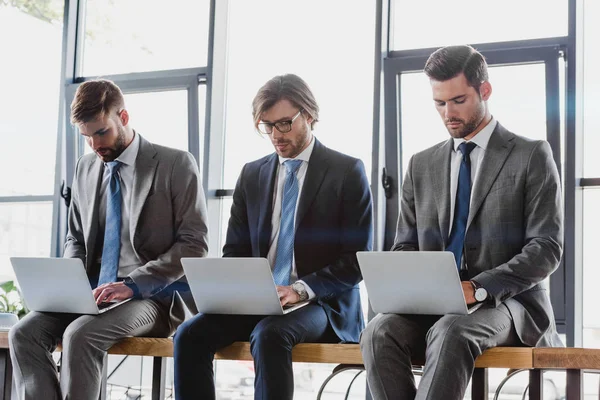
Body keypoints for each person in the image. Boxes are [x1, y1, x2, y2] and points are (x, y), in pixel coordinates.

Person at [360, 45, 563, 399]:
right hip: (435, 303)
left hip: (509, 303)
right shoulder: (421, 164)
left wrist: (479, 287)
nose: (448, 113)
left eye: (458, 100)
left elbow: (546, 249)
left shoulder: (531, 154)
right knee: (378, 332)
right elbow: (405, 245)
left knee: (454, 330)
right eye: (439, 103)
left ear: (485, 91)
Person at [173, 73, 373, 400]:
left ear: (309, 116)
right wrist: (231, 288)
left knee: (269, 335)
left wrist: (298, 290)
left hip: (323, 303)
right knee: (189, 334)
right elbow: (235, 252)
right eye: (266, 126)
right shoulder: (252, 174)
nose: (275, 135)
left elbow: (355, 262)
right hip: (259, 298)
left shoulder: (346, 171)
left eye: (284, 123)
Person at [9, 79, 209, 400]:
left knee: (80, 335)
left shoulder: (175, 164)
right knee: (23, 334)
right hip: (91, 294)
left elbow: (194, 244)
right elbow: (76, 236)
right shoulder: (86, 167)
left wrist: (131, 284)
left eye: (102, 132)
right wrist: (68, 286)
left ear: (124, 118)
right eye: (87, 136)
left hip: (152, 297)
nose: (95, 145)